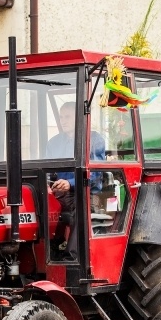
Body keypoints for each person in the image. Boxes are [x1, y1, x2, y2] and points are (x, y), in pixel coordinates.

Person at [46, 102, 105, 258]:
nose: (63, 121)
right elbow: (47, 170)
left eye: (67, 117)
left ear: (79, 118)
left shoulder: (93, 140)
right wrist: (47, 184)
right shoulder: (54, 142)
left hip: (87, 193)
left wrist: (70, 183)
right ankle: (49, 251)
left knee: (81, 207)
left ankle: (71, 259)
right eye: (61, 117)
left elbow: (96, 175)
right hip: (59, 193)